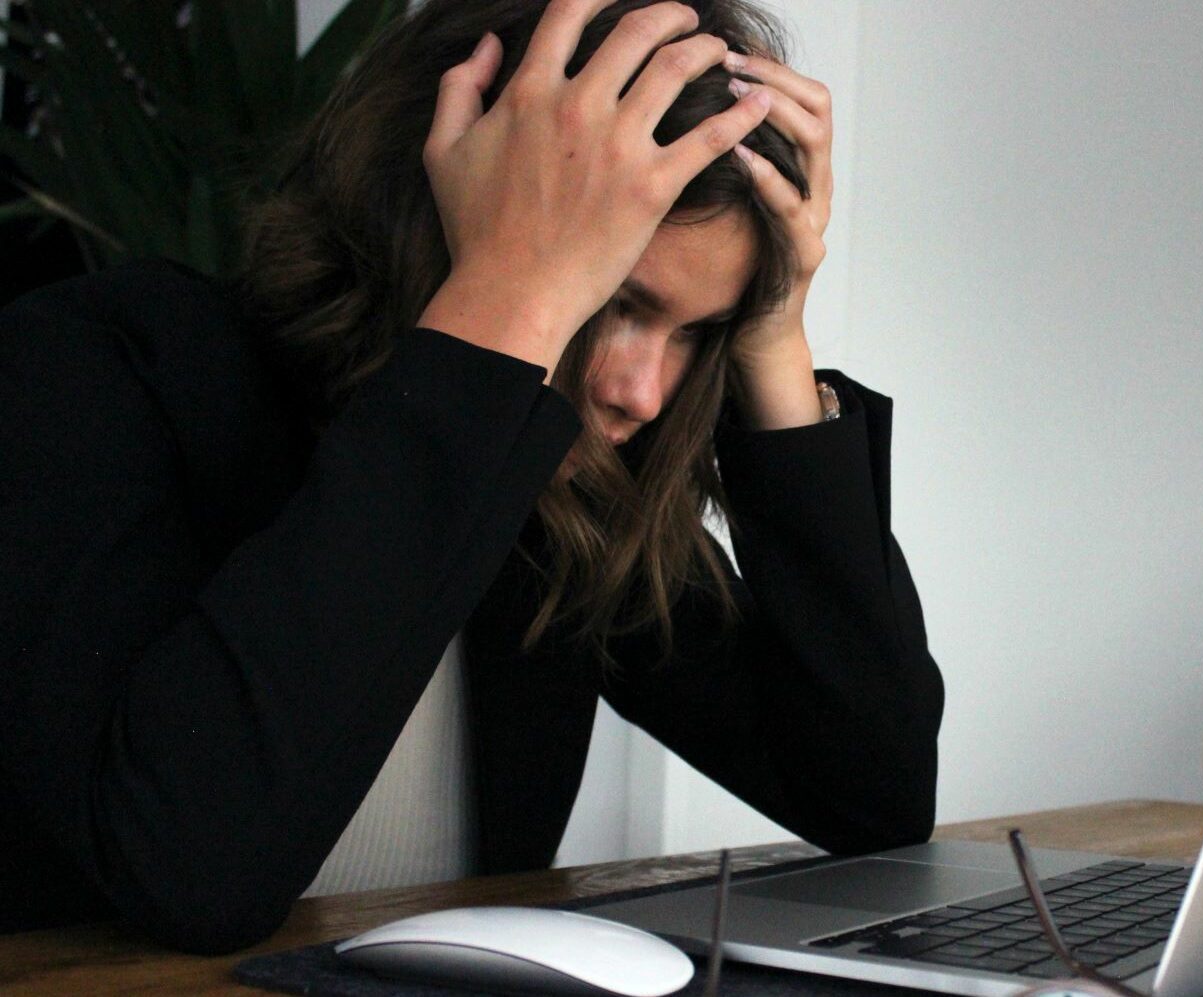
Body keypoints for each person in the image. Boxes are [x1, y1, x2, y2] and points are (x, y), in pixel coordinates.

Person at [0, 0, 942, 953]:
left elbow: (870, 797)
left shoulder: (555, 493)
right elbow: (191, 872)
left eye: (698, 331)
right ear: (440, 205)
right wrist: (511, 299)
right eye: (610, 296)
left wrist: (774, 331)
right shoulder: (93, 370)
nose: (642, 391)